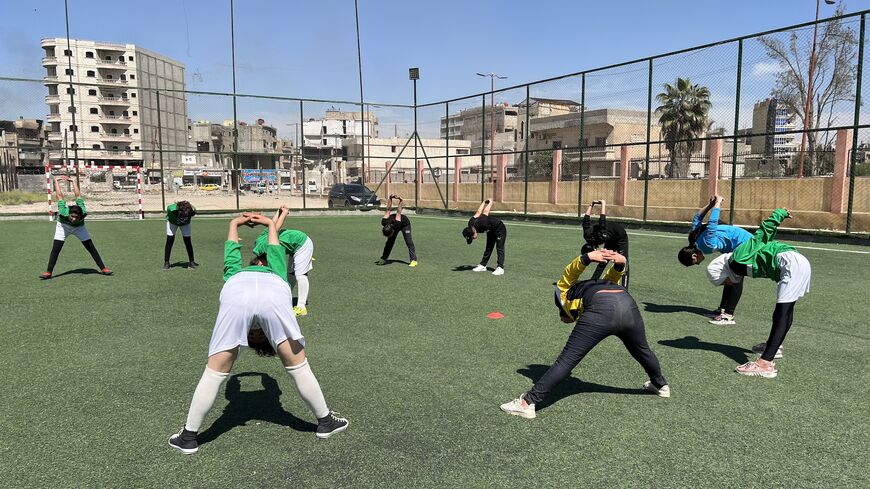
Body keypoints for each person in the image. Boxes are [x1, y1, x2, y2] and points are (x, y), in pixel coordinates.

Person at [168, 213, 348, 454]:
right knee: (299, 366)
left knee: (214, 373)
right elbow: (272, 245)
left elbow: (232, 248)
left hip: (237, 297)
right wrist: (269, 223)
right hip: (273, 295)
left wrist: (235, 223)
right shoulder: (277, 270)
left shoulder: (234, 273)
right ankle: (325, 421)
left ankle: (189, 437)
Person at [500, 250, 670, 419]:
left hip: (600, 309)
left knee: (566, 360)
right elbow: (614, 274)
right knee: (642, 350)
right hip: (627, 304)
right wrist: (620, 263)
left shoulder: (563, 293)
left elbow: (569, 274)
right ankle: (660, 385)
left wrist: (585, 258)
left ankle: (527, 403)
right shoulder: (602, 283)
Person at [706, 208, 811, 377]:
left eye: (724, 281)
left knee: (781, 313)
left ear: (722, 272)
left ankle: (765, 363)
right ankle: (773, 347)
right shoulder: (738, 263)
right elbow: (764, 243)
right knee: (786, 311)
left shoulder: (736, 260)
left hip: (790, 263)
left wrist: (778, 214)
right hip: (794, 263)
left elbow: (761, 236)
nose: (728, 284)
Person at [678, 195, 753, 325]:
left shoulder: (705, 246)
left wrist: (717, 203)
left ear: (694, 256)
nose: (698, 264)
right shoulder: (694, 238)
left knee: (736, 277)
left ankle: (729, 315)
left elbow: (712, 223)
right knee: (728, 275)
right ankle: (722, 310)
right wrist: (710, 205)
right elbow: (697, 217)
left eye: (695, 263)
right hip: (736, 246)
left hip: (745, 244)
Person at [39, 175, 112, 279]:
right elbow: (60, 196)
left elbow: (78, 196)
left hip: (79, 228)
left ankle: (103, 269)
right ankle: (48, 272)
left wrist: (73, 181)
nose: (73, 219)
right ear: (69, 214)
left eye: (76, 217)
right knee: (56, 249)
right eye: (72, 217)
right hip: (63, 227)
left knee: (91, 247)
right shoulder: (63, 211)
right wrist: (56, 181)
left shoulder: (83, 211)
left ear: (80, 216)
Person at [252, 206, 314, 317]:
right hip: (294, 246)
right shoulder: (258, 242)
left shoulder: (267, 247)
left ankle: (301, 307)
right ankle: (284, 299)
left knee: (300, 275)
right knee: (291, 274)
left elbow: (274, 228)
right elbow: (272, 223)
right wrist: (278, 212)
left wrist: (284, 213)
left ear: (260, 263)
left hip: (302, 243)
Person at [581, 199, 629, 288]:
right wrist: (591, 205)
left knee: (623, 261)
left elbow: (602, 220)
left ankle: (625, 288)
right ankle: (592, 282)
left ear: (594, 249)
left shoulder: (601, 236)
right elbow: (585, 221)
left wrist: (603, 204)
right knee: (604, 259)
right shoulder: (587, 236)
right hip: (610, 237)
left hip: (620, 236)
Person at [461, 199, 506, 276]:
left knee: (499, 247)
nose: (473, 239)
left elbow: (485, 212)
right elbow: (478, 213)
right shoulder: (471, 223)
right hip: (491, 229)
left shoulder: (483, 224)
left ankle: (500, 268)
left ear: (473, 232)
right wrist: (483, 203)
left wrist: (490, 203)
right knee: (488, 247)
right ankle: (483, 265)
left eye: (472, 238)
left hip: (499, 228)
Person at [376, 194, 417, 267]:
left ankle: (413, 260)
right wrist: (390, 198)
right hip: (394, 224)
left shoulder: (396, 223)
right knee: (389, 242)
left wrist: (401, 201)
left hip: (405, 224)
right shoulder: (384, 221)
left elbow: (398, 212)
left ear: (392, 231)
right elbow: (388, 209)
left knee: (409, 242)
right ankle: (384, 258)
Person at [163, 200, 198, 270]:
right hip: (172, 222)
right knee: (169, 241)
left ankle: (191, 261)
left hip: (185, 224)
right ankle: (166, 262)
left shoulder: (192, 210)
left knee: (188, 241)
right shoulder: (171, 209)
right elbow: (168, 212)